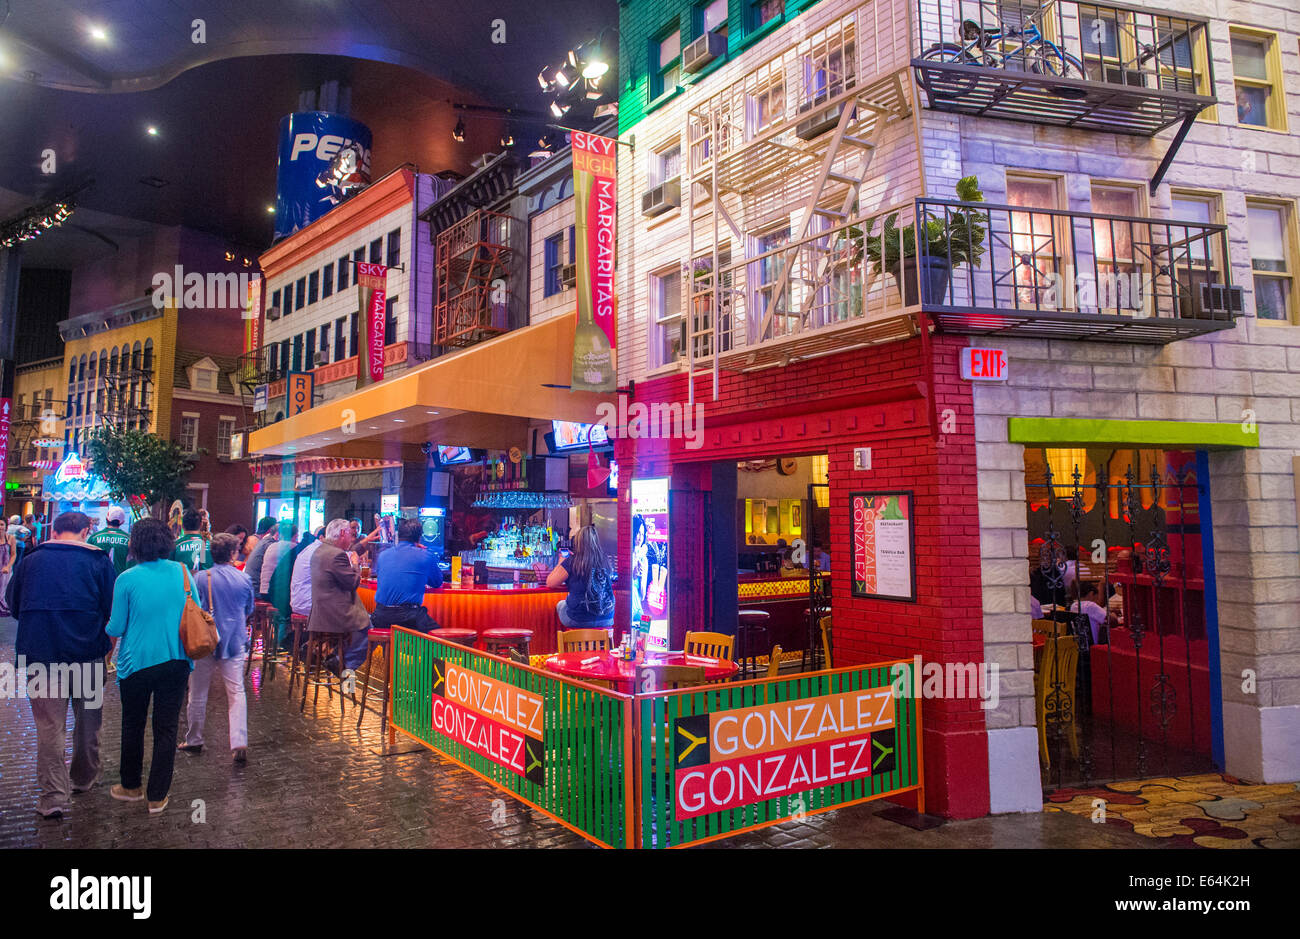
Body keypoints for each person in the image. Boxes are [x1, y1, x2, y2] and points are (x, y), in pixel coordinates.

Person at [7, 511, 117, 818]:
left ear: (54, 531)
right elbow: (112, 610)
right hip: (87, 657)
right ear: (85, 532)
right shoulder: (98, 562)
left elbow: (13, 604)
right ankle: (83, 778)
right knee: (88, 723)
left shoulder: (31, 560)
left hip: (40, 656)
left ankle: (53, 798)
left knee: (49, 728)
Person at [106, 518, 200, 815]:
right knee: (167, 728)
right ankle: (157, 796)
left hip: (136, 663)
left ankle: (130, 786)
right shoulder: (183, 573)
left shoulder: (127, 579)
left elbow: (117, 625)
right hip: (176, 660)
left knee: (132, 724)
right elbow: (196, 612)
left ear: (135, 544)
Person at [180, 533, 255, 762]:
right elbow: (249, 609)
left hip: (205, 641)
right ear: (233, 553)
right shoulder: (244, 579)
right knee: (236, 692)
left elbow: (194, 608)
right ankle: (239, 740)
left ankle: (194, 739)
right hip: (234, 641)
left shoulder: (201, 577)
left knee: (198, 692)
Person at [307, 518, 372, 681]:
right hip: (336, 615)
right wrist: (356, 564)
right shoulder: (337, 555)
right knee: (369, 630)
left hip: (321, 613)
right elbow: (352, 583)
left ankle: (337, 656)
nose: (351, 539)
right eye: (350, 534)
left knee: (367, 622)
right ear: (342, 533)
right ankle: (343, 662)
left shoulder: (319, 551)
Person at [370, 517, 443, 633]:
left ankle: (394, 651)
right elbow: (437, 582)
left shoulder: (383, 555)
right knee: (443, 644)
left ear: (399, 536)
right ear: (419, 538)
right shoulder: (426, 556)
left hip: (380, 616)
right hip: (408, 618)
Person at [547, 524, 615, 631]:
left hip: (578, 619)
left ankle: (566, 642)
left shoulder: (572, 561)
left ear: (577, 543)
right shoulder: (605, 560)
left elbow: (550, 582)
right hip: (607, 617)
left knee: (561, 604)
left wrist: (561, 561)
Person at [1067, 579, 1117, 645]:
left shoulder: (1074, 606)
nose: (1096, 601)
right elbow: (1113, 620)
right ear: (1091, 593)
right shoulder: (1090, 605)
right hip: (1093, 646)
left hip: (1081, 646)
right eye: (1096, 598)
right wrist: (1113, 614)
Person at [88, 507, 132, 575]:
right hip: (119, 580)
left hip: (98, 581)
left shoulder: (94, 537)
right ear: (122, 522)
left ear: (106, 519)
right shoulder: (129, 539)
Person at [259, 521, 297, 599]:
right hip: (275, 593)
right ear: (295, 535)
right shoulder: (293, 547)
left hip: (263, 590)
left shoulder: (271, 546)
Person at [243, 517, 278, 596]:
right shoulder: (268, 543)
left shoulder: (260, 541)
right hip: (256, 590)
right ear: (271, 530)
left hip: (249, 585)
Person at [171, 508, 210, 572]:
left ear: (182, 525)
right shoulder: (211, 545)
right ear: (201, 525)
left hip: (182, 581)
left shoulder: (174, 545)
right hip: (205, 581)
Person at [0, 516, 15, 617]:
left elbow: (14, 554)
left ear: (6, 526)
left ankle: (2, 608)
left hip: (5, 569)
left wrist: (8, 566)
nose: (0, 527)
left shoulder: (10, 538)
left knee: (3, 589)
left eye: (1, 524)